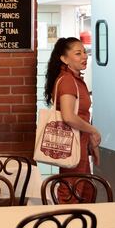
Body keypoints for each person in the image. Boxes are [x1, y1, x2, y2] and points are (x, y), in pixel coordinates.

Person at [44, 37, 102, 203]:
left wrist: (90, 139)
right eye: (78, 53)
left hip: (80, 144)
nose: (84, 56)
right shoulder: (68, 81)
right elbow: (69, 116)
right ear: (64, 58)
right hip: (73, 144)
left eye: (84, 52)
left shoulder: (75, 79)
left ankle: (81, 226)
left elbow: (81, 115)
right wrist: (93, 130)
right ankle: (68, 227)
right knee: (71, 192)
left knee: (85, 191)